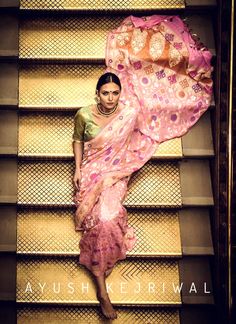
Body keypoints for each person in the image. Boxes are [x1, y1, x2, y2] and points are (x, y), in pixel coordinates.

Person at [72, 14, 213, 320]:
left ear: (119, 94)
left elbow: (154, 104)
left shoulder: (128, 112)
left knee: (107, 219)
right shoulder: (84, 115)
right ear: (97, 95)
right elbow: (78, 141)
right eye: (105, 93)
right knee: (98, 219)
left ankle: (101, 287)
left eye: (114, 93)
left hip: (115, 172)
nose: (110, 98)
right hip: (93, 171)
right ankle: (102, 285)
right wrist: (78, 168)